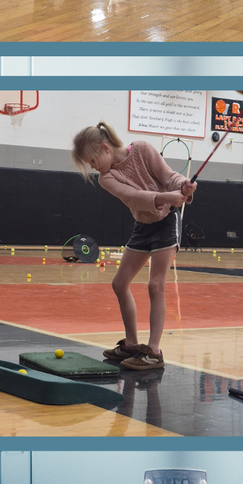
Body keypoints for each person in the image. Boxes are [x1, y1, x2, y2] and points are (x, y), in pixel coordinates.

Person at [71, 122, 196, 371]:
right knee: (119, 283)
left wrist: (183, 186)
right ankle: (131, 344)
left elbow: (169, 177)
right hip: (143, 226)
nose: (93, 167)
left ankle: (154, 351)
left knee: (155, 285)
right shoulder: (107, 178)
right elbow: (134, 198)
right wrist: (165, 197)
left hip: (167, 223)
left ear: (105, 148)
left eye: (93, 161)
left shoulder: (142, 149)